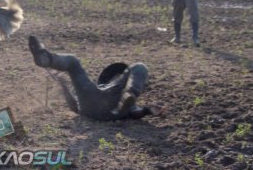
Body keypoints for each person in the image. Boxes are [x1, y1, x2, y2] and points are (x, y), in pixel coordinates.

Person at [28, 36, 164, 121]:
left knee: (73, 63)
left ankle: (48, 59)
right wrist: (147, 110)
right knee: (140, 67)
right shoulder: (124, 96)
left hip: (90, 108)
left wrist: (64, 88)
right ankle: (132, 91)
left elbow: (75, 108)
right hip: (112, 111)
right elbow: (135, 112)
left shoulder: (97, 91)